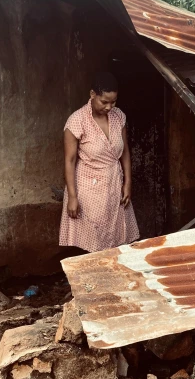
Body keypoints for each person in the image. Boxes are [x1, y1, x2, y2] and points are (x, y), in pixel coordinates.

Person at [59, 72, 140, 252]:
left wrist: (128, 182)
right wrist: (72, 196)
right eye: (104, 101)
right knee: (94, 241)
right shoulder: (77, 121)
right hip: (88, 188)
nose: (109, 107)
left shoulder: (119, 117)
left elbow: (125, 151)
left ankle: (112, 276)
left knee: (116, 239)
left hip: (114, 183)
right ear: (92, 94)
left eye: (113, 102)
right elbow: (69, 160)